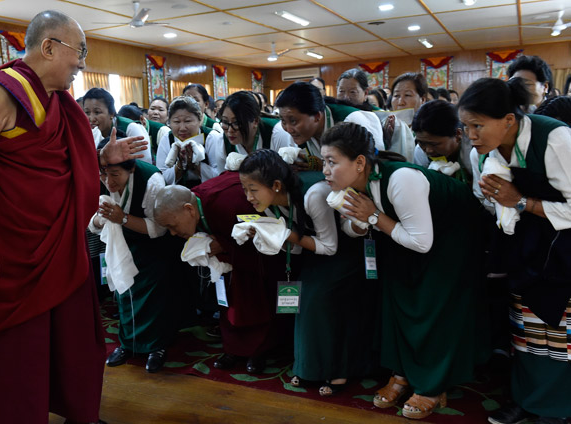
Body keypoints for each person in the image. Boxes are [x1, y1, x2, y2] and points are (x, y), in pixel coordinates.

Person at [0, 10, 146, 424]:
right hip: (13, 249)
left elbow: (56, 169)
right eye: (78, 52)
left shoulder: (59, 102)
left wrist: (101, 158)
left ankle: (78, 413)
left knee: (73, 341)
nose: (81, 63)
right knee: (14, 352)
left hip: (59, 246)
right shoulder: (4, 93)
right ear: (48, 47)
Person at [324, 122, 487, 420]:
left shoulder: (401, 179)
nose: (324, 170)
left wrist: (372, 215)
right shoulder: (351, 183)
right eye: (324, 161)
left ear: (360, 162)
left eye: (331, 162)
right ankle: (401, 374)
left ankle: (432, 386)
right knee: (396, 296)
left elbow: (422, 243)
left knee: (432, 306)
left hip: (454, 237)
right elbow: (352, 228)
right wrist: (362, 219)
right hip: (405, 236)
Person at [460, 78, 571, 424]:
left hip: (563, 250)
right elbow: (495, 206)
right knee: (525, 329)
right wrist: (495, 199)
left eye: (478, 125)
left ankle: (559, 409)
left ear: (508, 120)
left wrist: (520, 201)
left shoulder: (556, 139)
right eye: (465, 127)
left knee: (560, 333)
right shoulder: (485, 155)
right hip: (524, 246)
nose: (471, 135)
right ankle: (527, 400)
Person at [237, 149, 376, 396]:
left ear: (277, 185)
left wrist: (286, 235)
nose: (248, 197)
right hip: (318, 253)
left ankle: (339, 369)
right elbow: (299, 248)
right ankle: (309, 367)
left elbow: (330, 246)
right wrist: (266, 233)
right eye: (244, 189)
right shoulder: (269, 205)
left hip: (349, 249)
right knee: (304, 300)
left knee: (318, 298)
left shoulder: (314, 193)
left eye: (253, 189)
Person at [153, 173, 284, 374]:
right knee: (228, 297)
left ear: (188, 210)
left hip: (256, 262)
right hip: (227, 262)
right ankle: (233, 349)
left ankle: (258, 351)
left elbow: (262, 236)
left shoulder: (226, 204)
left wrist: (223, 244)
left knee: (253, 298)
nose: (172, 233)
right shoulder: (196, 202)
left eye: (172, 226)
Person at [90, 137, 193, 374]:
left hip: (155, 247)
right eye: (103, 174)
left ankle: (157, 347)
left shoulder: (151, 180)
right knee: (125, 295)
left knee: (154, 298)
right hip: (124, 244)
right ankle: (128, 344)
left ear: (131, 168)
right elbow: (93, 223)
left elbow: (158, 228)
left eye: (115, 175)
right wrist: (101, 218)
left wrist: (121, 218)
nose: (108, 181)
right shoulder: (100, 176)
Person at [274, 81, 384, 174]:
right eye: (283, 121)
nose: (288, 129)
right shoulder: (302, 133)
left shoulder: (352, 121)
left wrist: (324, 165)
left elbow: (373, 167)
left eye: (293, 121)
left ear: (317, 117)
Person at [155, 96, 225, 187]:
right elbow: (161, 177)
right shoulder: (167, 139)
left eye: (188, 121)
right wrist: (179, 165)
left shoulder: (212, 137)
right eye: (176, 122)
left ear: (200, 120)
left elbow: (220, 176)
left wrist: (196, 166)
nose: (182, 128)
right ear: (169, 122)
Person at [411, 100, 473, 184]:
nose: (428, 150)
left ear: (458, 135)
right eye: (422, 143)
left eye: (434, 144)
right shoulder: (420, 152)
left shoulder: (473, 151)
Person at [84, 87, 152, 164]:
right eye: (87, 112)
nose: (91, 118)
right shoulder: (91, 132)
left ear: (112, 113)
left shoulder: (131, 128)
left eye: (97, 112)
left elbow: (145, 162)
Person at [219, 91, 293, 158]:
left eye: (236, 123)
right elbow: (222, 172)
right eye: (225, 122)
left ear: (255, 121)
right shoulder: (223, 142)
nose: (230, 130)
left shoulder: (277, 132)